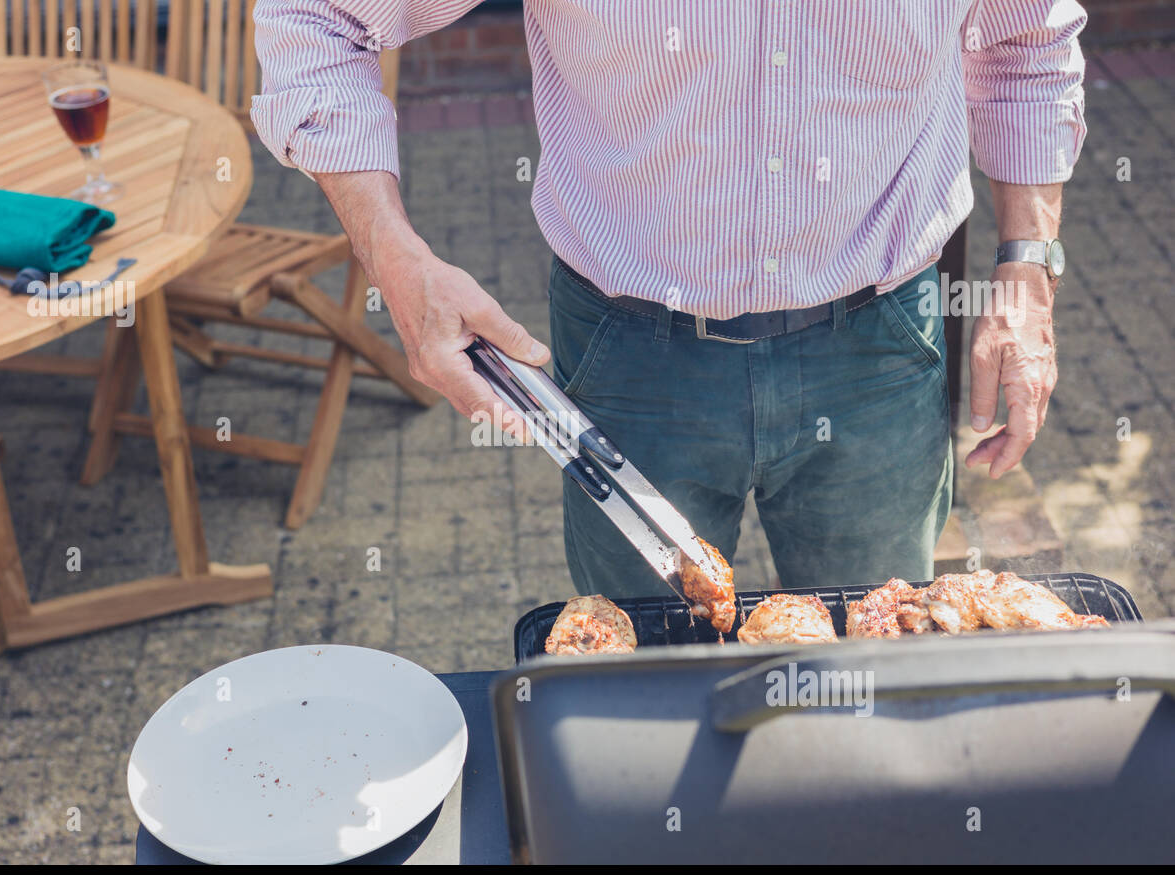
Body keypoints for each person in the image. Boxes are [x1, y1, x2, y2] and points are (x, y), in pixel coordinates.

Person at [250, 1, 1086, 591]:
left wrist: (1026, 265)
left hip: (882, 350)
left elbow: (1027, 42)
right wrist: (397, 261)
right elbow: (317, 18)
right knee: (640, 691)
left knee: (875, 675)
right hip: (631, 358)